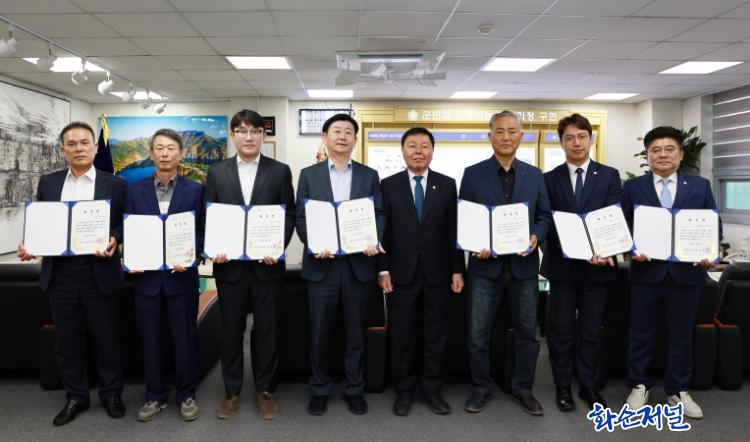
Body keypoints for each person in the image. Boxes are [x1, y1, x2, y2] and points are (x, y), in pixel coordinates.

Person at [17, 121, 127, 426]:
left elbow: (124, 223)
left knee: (106, 339)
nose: (79, 148)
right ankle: (76, 396)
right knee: (66, 341)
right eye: (72, 144)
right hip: (60, 274)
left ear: (95, 147)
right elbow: (42, 222)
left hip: (99, 272)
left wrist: (115, 237)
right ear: (62, 150)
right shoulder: (49, 182)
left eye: (84, 142)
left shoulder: (115, 184)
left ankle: (111, 393)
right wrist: (31, 245)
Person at [204, 109, 295, 420]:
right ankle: (231, 392)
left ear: (263, 136)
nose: (249, 137)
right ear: (233, 135)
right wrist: (213, 248)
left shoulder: (279, 171)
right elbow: (209, 215)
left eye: (255, 131)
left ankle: (265, 390)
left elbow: (289, 214)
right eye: (242, 131)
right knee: (231, 332)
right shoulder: (217, 172)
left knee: (267, 331)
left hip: (267, 267)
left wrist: (276, 246)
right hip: (229, 268)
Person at [459, 110, 552, 416]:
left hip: (523, 269)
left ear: (521, 136)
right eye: (499, 131)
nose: (506, 137)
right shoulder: (473, 174)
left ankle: (523, 388)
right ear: (490, 136)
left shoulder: (534, 175)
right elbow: (466, 218)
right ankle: (481, 386)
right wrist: (476, 245)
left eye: (512, 131)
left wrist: (537, 235)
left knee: (528, 333)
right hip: (485, 269)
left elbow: (544, 215)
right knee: (477, 333)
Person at [622, 126, 718, 419]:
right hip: (645, 273)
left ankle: (678, 390)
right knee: (640, 333)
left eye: (669, 149)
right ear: (647, 155)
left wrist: (711, 253)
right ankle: (639, 385)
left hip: (686, 275)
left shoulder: (700, 186)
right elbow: (623, 226)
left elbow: (712, 224)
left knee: (681, 336)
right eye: (655, 150)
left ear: (681, 154)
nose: (662, 155)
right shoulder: (633, 187)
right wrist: (631, 249)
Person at [295, 113, 385, 416]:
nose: (343, 136)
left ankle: (353, 389)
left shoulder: (369, 176)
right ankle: (319, 389)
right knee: (319, 333)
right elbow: (301, 216)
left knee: (355, 334)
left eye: (348, 132)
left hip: (358, 266)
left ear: (355, 140)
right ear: (325, 137)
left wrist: (373, 238)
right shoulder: (309, 175)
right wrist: (313, 243)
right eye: (337, 131)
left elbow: (379, 214)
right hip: (322, 267)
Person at [377, 127, 465, 416]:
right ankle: (404, 389)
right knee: (402, 334)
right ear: (403, 151)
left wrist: (457, 270)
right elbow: (382, 232)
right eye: (412, 145)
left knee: (436, 334)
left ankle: (431, 388)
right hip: (400, 274)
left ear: (432, 151)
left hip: (438, 274)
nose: (418, 151)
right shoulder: (388, 185)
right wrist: (383, 270)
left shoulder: (447, 184)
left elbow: (453, 230)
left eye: (424, 146)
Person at [540, 113, 622, 411]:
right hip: (562, 266)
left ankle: (588, 386)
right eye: (569, 138)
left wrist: (605, 249)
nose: (576, 143)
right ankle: (563, 387)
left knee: (590, 331)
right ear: (561, 142)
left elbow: (615, 216)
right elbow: (546, 222)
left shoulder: (609, 176)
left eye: (582, 136)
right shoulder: (549, 179)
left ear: (591, 139)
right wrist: (572, 245)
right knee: (561, 330)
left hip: (597, 267)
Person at [125, 129, 204, 422]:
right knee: (151, 341)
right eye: (159, 148)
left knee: (185, 340)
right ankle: (154, 395)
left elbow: (201, 230)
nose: (165, 153)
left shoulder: (195, 190)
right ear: (151, 153)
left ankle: (187, 394)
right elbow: (129, 230)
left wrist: (193, 254)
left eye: (171, 148)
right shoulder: (134, 191)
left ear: (180, 153)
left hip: (181, 279)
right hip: (146, 281)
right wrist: (130, 257)